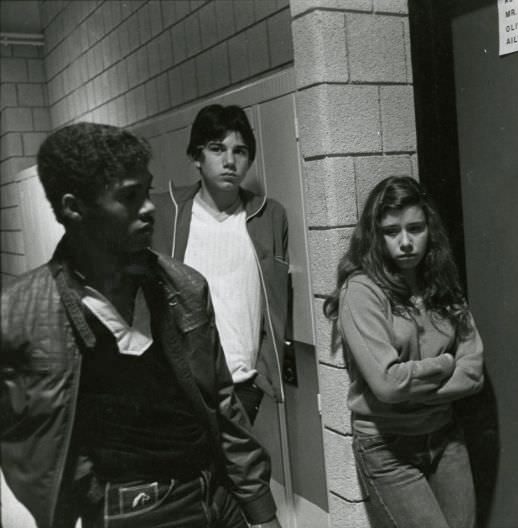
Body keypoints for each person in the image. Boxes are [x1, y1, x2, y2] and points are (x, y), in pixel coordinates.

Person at [0, 123, 281, 528]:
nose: (148, 208)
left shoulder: (184, 287)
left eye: (146, 191)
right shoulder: (21, 314)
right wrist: (85, 494)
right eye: (129, 197)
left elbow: (222, 404)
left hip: (217, 494)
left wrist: (260, 508)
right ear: (73, 207)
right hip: (133, 509)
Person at [323, 176, 485, 528]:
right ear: (375, 235)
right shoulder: (362, 291)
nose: (407, 242)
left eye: (416, 228)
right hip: (388, 447)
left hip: (445, 436)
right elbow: (388, 386)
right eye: (392, 231)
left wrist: (412, 387)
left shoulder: (441, 282)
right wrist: (445, 363)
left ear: (430, 229)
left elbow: (472, 372)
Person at [151, 104, 290, 423]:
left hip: (243, 386)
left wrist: (262, 379)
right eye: (217, 149)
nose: (229, 161)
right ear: (196, 156)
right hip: (182, 388)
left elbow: (277, 301)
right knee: (189, 473)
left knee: (237, 472)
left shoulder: (269, 216)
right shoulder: (165, 213)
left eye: (239, 151)